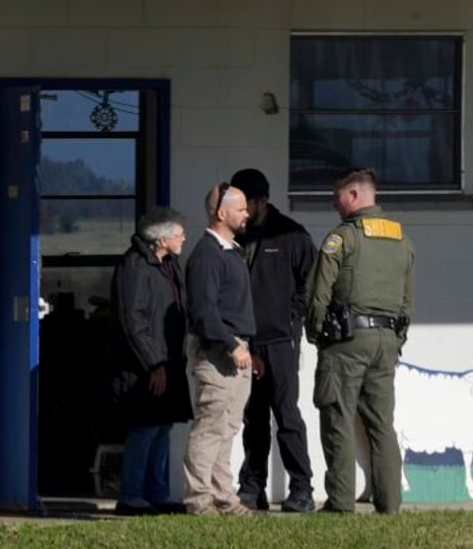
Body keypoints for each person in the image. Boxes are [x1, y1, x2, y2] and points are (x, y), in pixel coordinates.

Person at [305, 168, 414, 514]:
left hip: (346, 341)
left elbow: (318, 293)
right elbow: (407, 301)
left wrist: (316, 333)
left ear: (354, 195)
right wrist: (397, 342)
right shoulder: (402, 240)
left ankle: (340, 504)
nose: (335, 204)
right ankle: (390, 505)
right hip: (385, 342)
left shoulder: (343, 238)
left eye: (338, 197)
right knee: (381, 423)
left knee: (337, 416)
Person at [229, 168, 317, 513]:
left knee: (287, 416)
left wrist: (291, 316)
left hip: (280, 341)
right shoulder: (234, 235)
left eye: (245, 203)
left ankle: (302, 488)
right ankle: (251, 487)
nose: (241, 211)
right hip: (244, 343)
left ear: (262, 201)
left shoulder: (292, 236)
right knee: (253, 418)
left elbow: (310, 285)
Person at [109, 207, 192, 516]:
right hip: (145, 366)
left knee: (162, 428)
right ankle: (131, 495)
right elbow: (133, 321)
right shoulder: (135, 266)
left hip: (169, 361)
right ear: (160, 237)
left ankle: (156, 493)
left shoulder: (168, 265)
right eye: (178, 232)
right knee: (144, 428)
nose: (183, 236)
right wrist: (153, 363)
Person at [183, 183, 256, 516]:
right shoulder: (207, 255)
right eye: (241, 208)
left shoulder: (230, 252)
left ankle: (224, 498)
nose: (247, 213)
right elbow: (204, 310)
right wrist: (230, 345)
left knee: (227, 428)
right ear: (221, 213)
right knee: (210, 426)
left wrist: (245, 348)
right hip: (217, 353)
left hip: (236, 350)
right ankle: (199, 500)